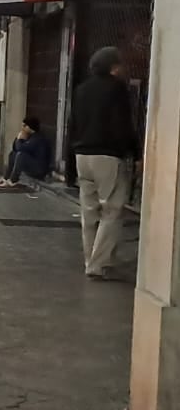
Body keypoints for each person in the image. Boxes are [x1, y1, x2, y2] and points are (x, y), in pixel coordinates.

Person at [70, 46, 140, 280]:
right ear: (114, 66)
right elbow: (123, 123)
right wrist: (134, 152)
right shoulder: (117, 88)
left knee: (89, 212)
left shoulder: (81, 89)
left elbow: (74, 122)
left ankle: (92, 259)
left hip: (82, 155)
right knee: (112, 209)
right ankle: (98, 265)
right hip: (107, 156)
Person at [0, 116, 51, 190]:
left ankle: (13, 180)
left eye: (24, 126)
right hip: (32, 164)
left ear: (30, 127)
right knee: (13, 154)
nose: (22, 128)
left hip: (39, 169)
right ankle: (5, 177)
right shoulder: (29, 136)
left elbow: (21, 148)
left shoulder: (37, 138)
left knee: (21, 155)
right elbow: (15, 148)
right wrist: (18, 139)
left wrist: (19, 139)